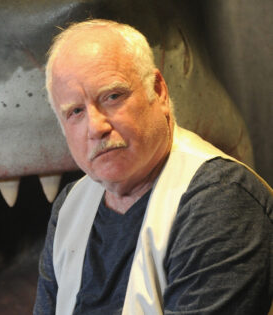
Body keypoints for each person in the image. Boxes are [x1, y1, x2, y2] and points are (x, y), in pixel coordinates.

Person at [33, 19, 273, 315]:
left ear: (158, 91)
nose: (96, 127)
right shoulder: (69, 206)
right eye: (76, 111)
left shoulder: (220, 198)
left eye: (112, 97)